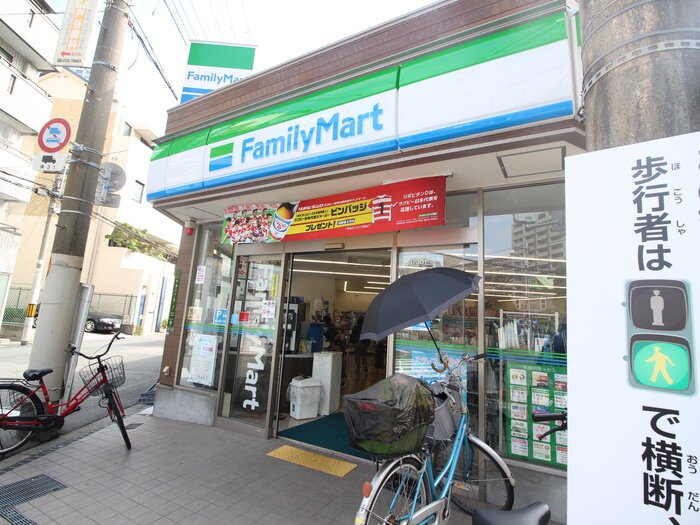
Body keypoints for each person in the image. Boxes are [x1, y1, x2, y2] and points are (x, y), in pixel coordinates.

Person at [323, 314, 347, 380]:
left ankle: (342, 376)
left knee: (338, 360)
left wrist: (332, 340)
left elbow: (338, 335)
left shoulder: (330, 328)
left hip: (337, 346)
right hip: (337, 345)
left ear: (325, 321)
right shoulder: (329, 328)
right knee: (338, 360)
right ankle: (342, 375)